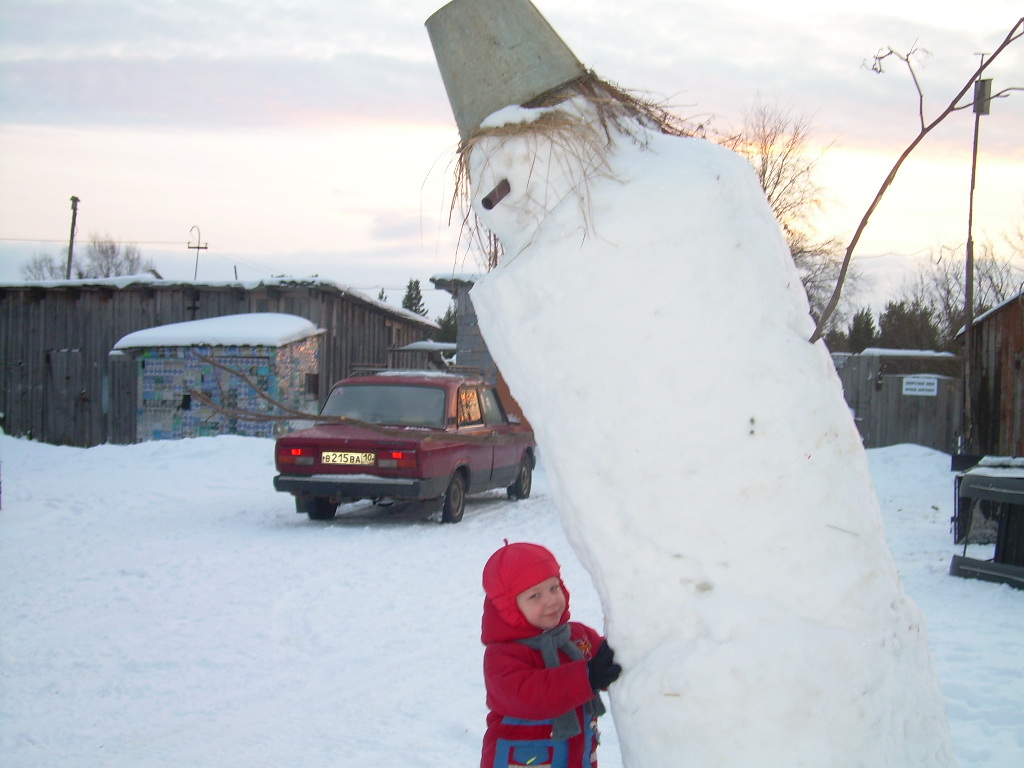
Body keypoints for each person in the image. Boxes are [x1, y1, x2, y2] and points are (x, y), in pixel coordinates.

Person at [480, 541, 622, 768]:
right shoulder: (502, 655)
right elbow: (532, 696)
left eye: (554, 588)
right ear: (509, 607)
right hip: (523, 759)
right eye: (535, 595)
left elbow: (611, 665)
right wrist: (587, 677)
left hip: (577, 757)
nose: (551, 600)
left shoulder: (577, 636)